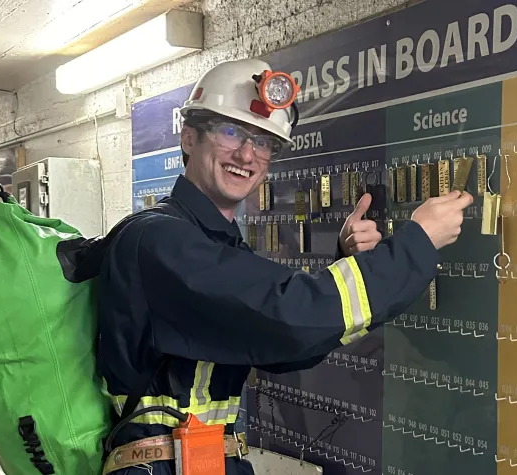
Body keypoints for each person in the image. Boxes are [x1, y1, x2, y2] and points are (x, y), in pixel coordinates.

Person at [96, 57, 473, 475]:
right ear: (189, 138)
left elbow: (282, 344)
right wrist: (416, 243)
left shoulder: (214, 245)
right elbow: (289, 317)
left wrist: (345, 262)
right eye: (230, 131)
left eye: (263, 142)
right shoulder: (158, 240)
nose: (246, 153)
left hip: (204, 462)